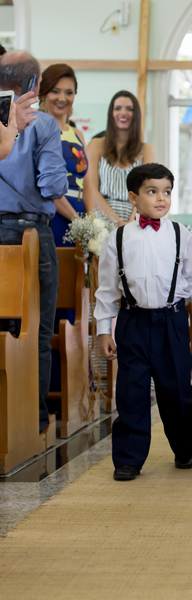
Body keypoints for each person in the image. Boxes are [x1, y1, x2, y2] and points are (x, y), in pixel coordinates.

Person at [95, 163, 192, 481]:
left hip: (172, 321)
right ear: (133, 197)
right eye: (152, 191)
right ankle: (128, 458)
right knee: (131, 391)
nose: (162, 198)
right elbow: (106, 291)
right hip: (132, 321)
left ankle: (185, 448)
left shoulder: (179, 234)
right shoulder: (116, 239)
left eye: (167, 192)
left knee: (176, 390)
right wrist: (104, 331)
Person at [0, 51, 69, 434]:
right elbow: (53, 186)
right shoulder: (41, 124)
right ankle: (34, 421)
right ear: (35, 86)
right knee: (37, 329)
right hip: (29, 233)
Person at [85, 91, 155, 225]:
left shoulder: (147, 150)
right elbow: (91, 190)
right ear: (111, 114)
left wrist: (130, 224)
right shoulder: (96, 145)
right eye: (117, 108)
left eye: (129, 109)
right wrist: (117, 223)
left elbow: (147, 193)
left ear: (136, 115)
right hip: (102, 224)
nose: (123, 112)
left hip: (136, 222)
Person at [38, 64, 89, 247]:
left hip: (78, 218)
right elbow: (45, 184)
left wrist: (91, 225)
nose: (62, 98)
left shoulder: (77, 134)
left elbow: (88, 186)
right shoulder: (35, 128)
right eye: (55, 91)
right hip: (53, 218)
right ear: (43, 93)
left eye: (69, 92)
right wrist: (78, 222)